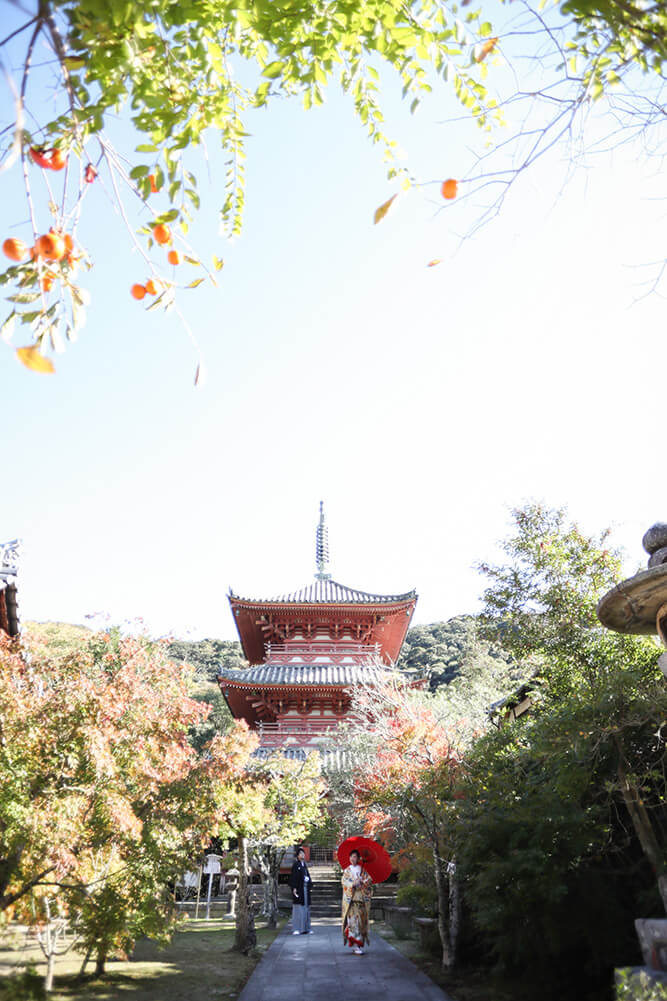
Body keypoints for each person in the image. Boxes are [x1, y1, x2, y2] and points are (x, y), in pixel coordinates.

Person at [341, 849, 373, 955]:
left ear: (358, 859)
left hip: (361, 901)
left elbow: (369, 881)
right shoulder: (347, 871)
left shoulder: (362, 870)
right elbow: (344, 883)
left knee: (360, 924)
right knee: (353, 924)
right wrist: (353, 884)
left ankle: (358, 944)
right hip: (352, 902)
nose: (352, 859)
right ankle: (355, 946)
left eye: (354, 857)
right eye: (351, 856)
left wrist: (363, 882)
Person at [289, 846, 313, 935]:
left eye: (303, 853)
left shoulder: (304, 865)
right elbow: (294, 877)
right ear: (297, 855)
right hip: (299, 889)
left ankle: (306, 928)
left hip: (305, 890)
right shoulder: (296, 865)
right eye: (300, 853)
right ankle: (297, 928)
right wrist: (294, 888)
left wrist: (308, 881)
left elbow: (308, 877)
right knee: (298, 909)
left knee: (306, 909)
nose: (302, 855)